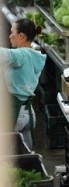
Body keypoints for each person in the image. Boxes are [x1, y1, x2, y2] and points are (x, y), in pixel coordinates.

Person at [0, 18, 46, 149]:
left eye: (12, 32)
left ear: (21, 36)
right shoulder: (34, 55)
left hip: (15, 114)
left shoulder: (22, 55)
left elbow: (4, 54)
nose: (10, 36)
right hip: (28, 112)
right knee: (25, 156)